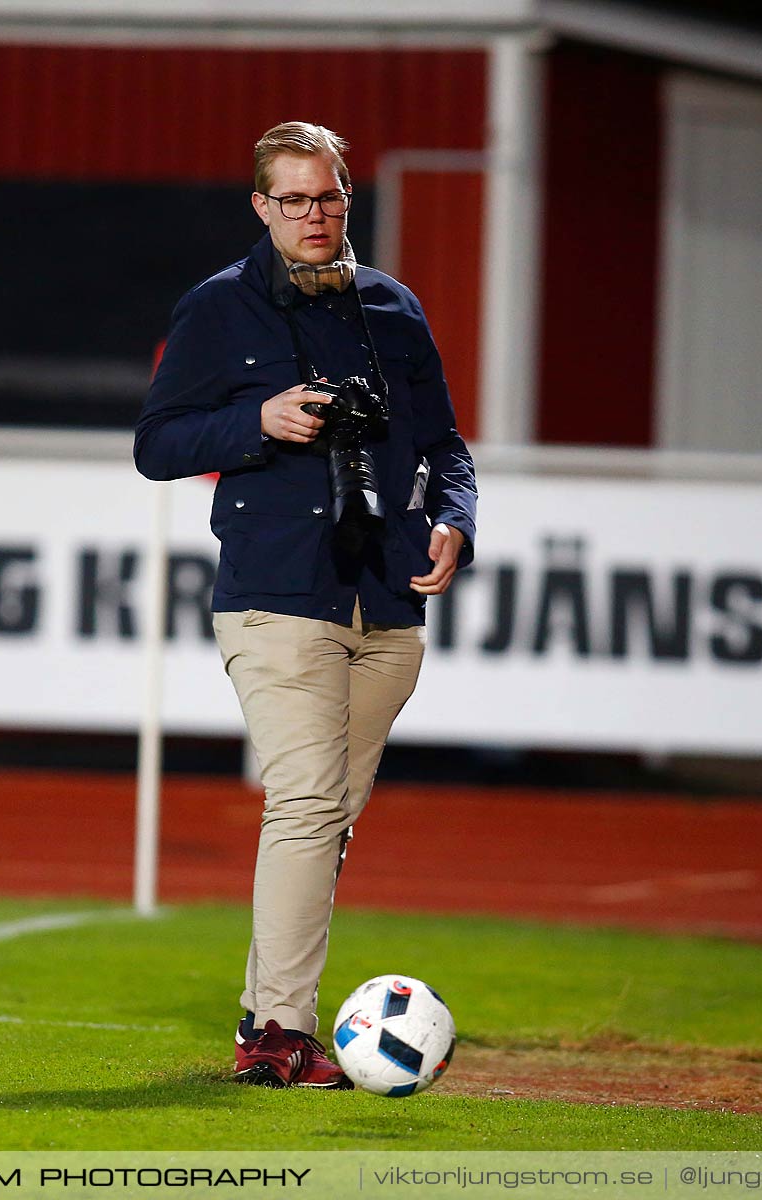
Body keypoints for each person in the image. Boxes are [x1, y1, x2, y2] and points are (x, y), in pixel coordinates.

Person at [133, 121, 478, 1088]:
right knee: (308, 801)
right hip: (278, 597)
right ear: (261, 206)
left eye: (326, 197)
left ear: (345, 199)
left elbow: (447, 445)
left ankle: (260, 1021)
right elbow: (156, 444)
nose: (313, 215)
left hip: (387, 604)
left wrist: (455, 519)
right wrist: (257, 420)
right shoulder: (217, 311)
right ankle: (282, 1032)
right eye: (292, 200)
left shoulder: (394, 309)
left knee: (329, 817)